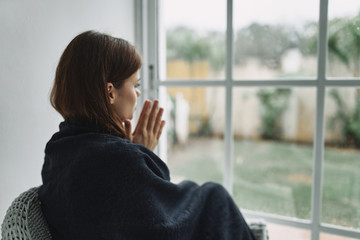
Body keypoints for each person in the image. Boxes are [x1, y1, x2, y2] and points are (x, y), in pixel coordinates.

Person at [38, 30, 255, 240]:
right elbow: (164, 221)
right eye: (136, 84)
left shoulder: (57, 148)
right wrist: (138, 154)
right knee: (215, 197)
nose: (138, 93)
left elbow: (116, 207)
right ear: (110, 92)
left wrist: (135, 152)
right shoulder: (120, 158)